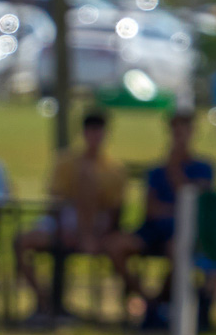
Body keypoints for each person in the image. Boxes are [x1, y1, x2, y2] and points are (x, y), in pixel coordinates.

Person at [16, 112, 140, 320]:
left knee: (87, 176)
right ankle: (45, 300)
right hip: (64, 221)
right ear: (84, 133)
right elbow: (55, 203)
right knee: (22, 242)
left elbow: (115, 210)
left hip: (99, 227)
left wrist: (94, 234)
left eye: (98, 131)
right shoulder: (65, 161)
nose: (94, 137)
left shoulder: (114, 169)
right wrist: (64, 229)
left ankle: (137, 302)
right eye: (90, 131)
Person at [134, 110, 214, 331]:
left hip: (187, 234)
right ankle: (149, 302)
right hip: (154, 230)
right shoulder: (156, 170)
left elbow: (195, 205)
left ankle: (160, 305)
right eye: (175, 132)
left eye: (183, 132)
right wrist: (175, 209)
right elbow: (150, 209)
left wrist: (175, 169)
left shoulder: (204, 168)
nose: (179, 138)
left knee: (177, 249)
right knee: (117, 246)